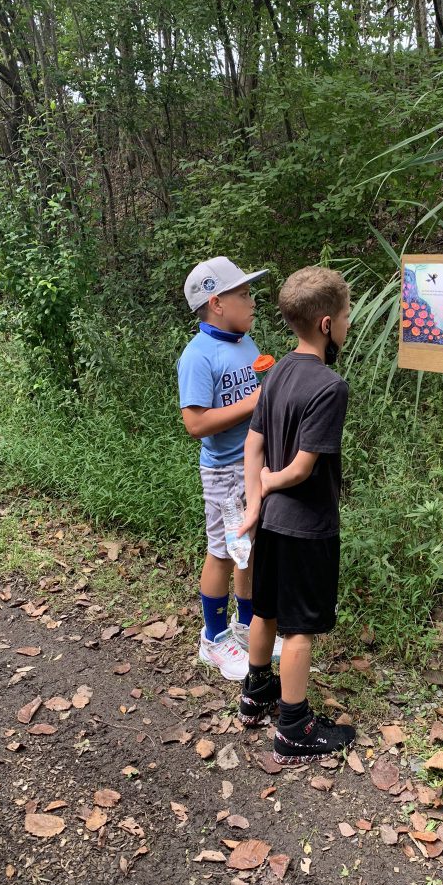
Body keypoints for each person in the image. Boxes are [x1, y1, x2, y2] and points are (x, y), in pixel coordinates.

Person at [238, 266, 356, 764]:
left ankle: (255, 692)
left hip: (270, 524)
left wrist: (253, 503)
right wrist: (271, 482)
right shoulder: (331, 387)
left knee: (265, 609)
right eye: (346, 314)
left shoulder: (279, 369)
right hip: (307, 525)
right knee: (299, 627)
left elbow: (253, 442)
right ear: (327, 323)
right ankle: (293, 725)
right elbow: (303, 467)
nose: (350, 322)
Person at [178, 256, 282, 681]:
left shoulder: (245, 343)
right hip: (224, 470)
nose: (252, 300)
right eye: (243, 293)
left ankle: (245, 624)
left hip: (255, 463)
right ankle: (214, 638)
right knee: (222, 551)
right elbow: (195, 423)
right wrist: (254, 402)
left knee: (249, 547)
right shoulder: (198, 356)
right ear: (216, 303)